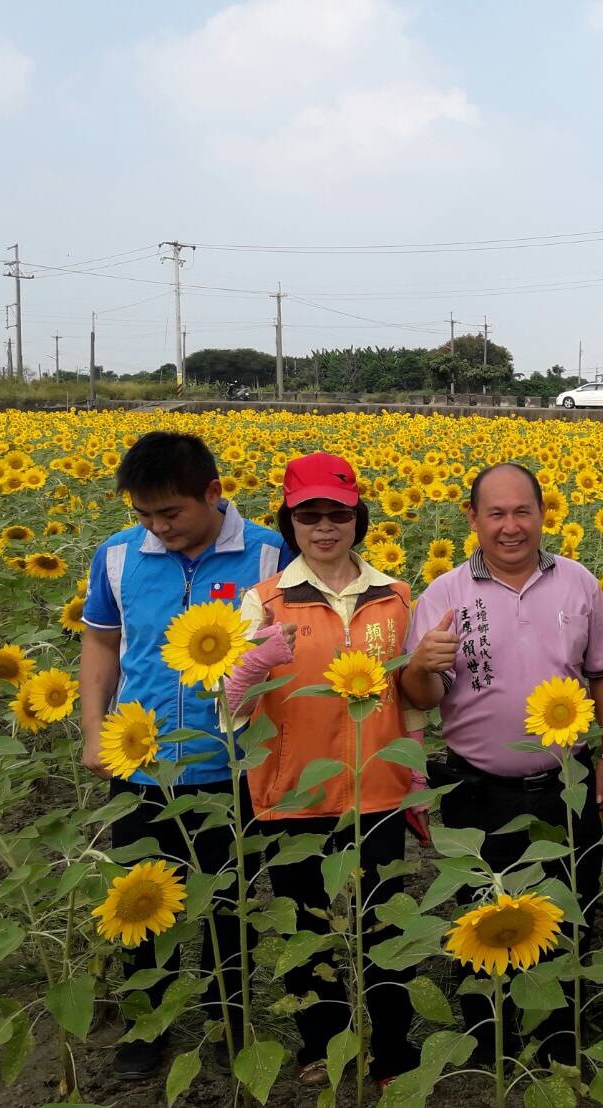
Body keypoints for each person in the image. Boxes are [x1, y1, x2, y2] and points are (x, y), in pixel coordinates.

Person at [79, 431, 290, 1081]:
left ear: (212, 493)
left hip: (233, 769)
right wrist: (94, 731)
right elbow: (101, 643)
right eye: (143, 514)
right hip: (143, 766)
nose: (157, 528)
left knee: (232, 907)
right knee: (140, 902)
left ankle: (231, 1023)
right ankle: (148, 1028)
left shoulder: (267, 555)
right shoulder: (117, 556)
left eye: (170, 513)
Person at [399, 461, 603, 1063]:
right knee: (481, 909)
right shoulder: (443, 595)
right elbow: (422, 698)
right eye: (495, 513)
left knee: (572, 901)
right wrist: (420, 665)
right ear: (471, 518)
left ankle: (557, 1033)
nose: (511, 526)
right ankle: (487, 1026)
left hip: (565, 780)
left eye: (523, 511)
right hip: (477, 786)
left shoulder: (578, 583)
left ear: (544, 514)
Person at [223, 452, 423, 1087]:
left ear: (357, 518)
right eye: (309, 515)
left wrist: (415, 773)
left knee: (386, 921)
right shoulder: (265, 602)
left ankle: (393, 1049)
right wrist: (252, 668)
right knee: (304, 924)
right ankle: (323, 1042)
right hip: (293, 790)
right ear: (290, 523)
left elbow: (411, 696)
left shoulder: (393, 596)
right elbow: (228, 708)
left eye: (337, 514)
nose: (324, 527)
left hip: (379, 790)